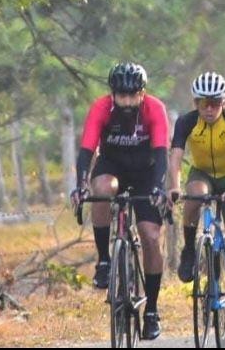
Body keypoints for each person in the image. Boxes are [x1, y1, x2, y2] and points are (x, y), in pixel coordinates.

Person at [70, 62, 169, 341]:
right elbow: (87, 149)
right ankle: (104, 261)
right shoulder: (101, 108)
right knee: (101, 188)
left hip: (146, 172)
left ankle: (152, 309)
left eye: (132, 95)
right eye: (120, 95)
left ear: (142, 93)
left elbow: (161, 152)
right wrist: (80, 185)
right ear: (112, 94)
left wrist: (159, 187)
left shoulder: (154, 109)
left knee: (150, 236)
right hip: (112, 166)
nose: (126, 102)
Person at [169, 71, 225, 336]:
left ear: (224, 102)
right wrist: (173, 185)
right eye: (204, 103)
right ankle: (190, 251)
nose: (209, 108)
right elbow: (176, 157)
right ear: (196, 103)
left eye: (215, 102)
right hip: (202, 173)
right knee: (194, 194)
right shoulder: (186, 122)